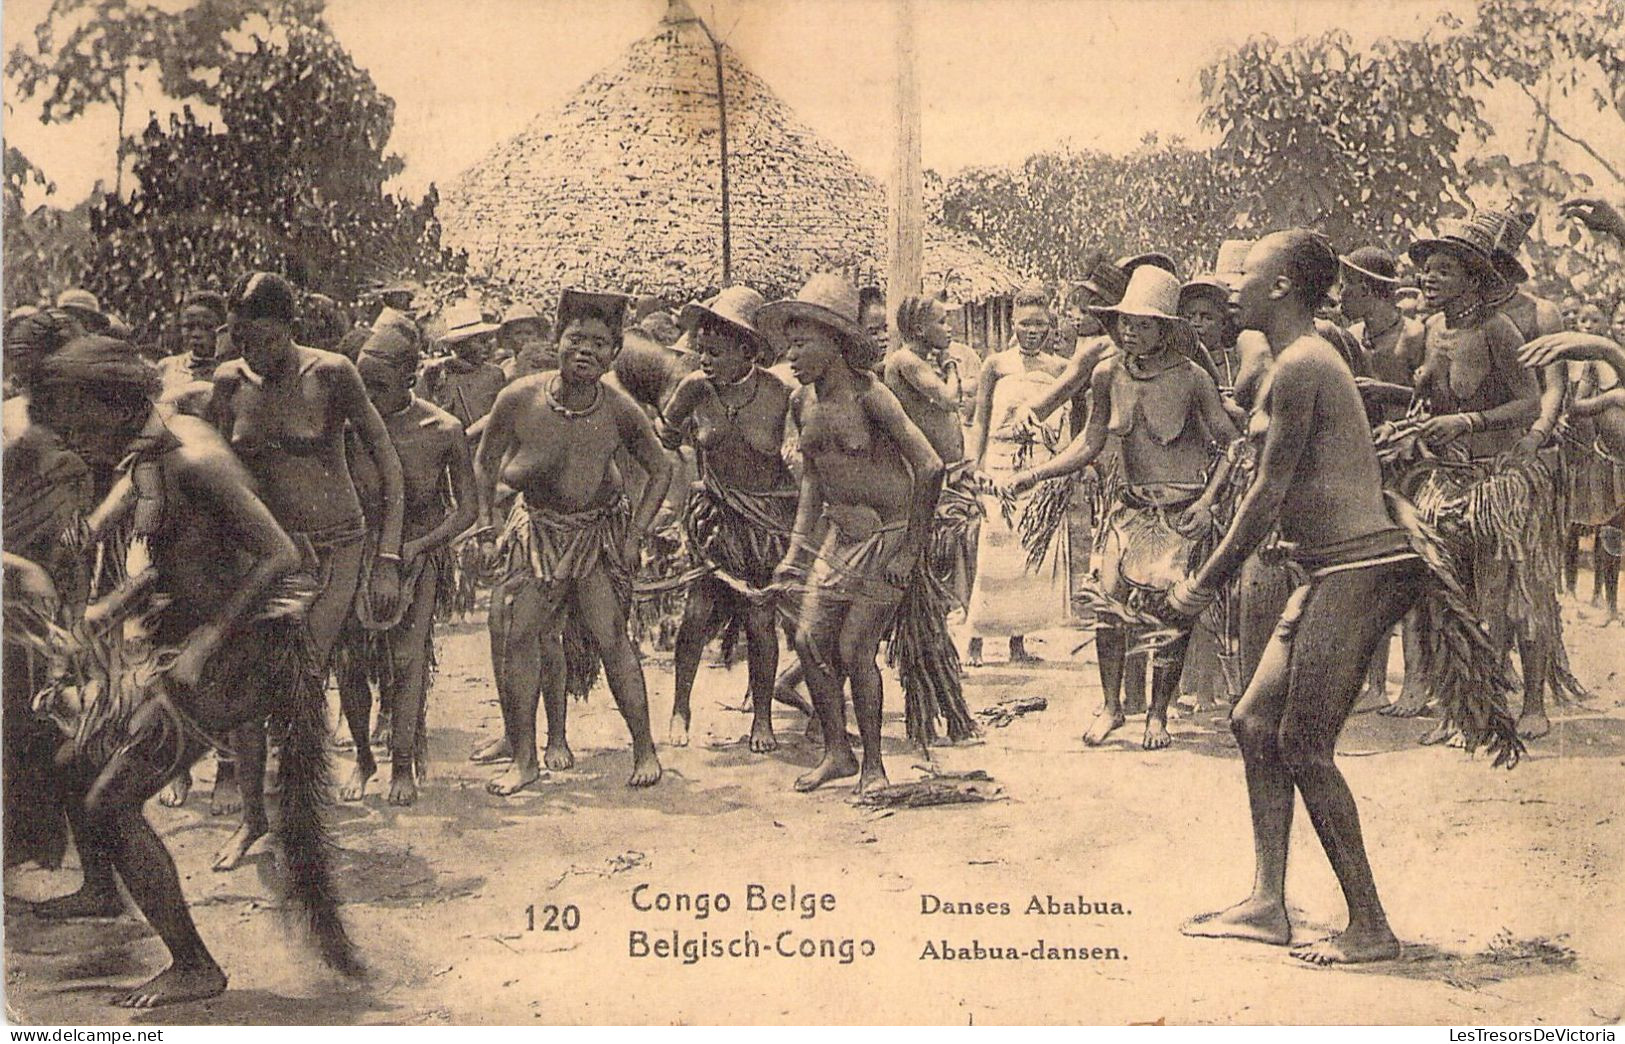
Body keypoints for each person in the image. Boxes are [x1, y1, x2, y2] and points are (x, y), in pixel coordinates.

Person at [1167, 230, 1520, 966]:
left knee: (1302, 742)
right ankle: (1267, 902)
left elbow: (1269, 491)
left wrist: (1201, 587)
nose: (1232, 288)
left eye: (1248, 275)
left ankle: (1369, 927)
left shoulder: (1302, 363)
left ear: (1282, 288)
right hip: (1330, 570)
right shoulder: (1291, 363)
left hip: (1361, 568)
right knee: (1251, 721)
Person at [21, 335, 362, 1006]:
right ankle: (101, 889)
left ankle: (195, 964)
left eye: (76, 417)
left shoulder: (192, 459)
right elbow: (182, 557)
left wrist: (207, 638)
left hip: (247, 654)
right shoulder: (152, 449)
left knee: (111, 801)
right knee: (72, 757)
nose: (69, 434)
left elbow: (279, 554)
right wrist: (112, 606)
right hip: (207, 645)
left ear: (111, 404)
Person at [203, 272, 405, 868]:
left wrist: (389, 558)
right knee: (245, 678)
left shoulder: (333, 373)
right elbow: (215, 469)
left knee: (298, 675)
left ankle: (301, 818)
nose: (250, 351)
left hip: (336, 548)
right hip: (261, 554)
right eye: (238, 337)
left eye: (261, 337)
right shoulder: (227, 381)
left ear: (288, 327)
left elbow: (388, 468)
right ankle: (253, 822)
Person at [1007, 266, 1238, 749]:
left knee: (1172, 615)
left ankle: (1158, 715)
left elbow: (1233, 447)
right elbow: (1089, 443)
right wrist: (1035, 473)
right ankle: (1112, 707)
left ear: (1166, 329)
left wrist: (1210, 503)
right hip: (1127, 511)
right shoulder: (1106, 374)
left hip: (1181, 514)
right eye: (1125, 321)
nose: (1131, 330)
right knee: (1107, 606)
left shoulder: (1194, 380)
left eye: (1144, 323)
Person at [473, 289, 669, 793]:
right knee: (518, 638)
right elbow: (484, 460)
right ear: (556, 340)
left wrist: (634, 536)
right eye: (575, 338)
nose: (585, 351)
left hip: (595, 536)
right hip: (537, 531)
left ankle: (644, 749)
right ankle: (524, 759)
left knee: (612, 640)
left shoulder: (620, 409)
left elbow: (661, 468)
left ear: (614, 353)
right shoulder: (518, 398)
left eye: (599, 344)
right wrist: (487, 528)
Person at [760, 275, 946, 793]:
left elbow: (930, 468)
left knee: (854, 648)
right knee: (807, 640)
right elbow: (814, 484)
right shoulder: (802, 403)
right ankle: (838, 754)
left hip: (888, 537)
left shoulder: (874, 396)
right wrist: (796, 555)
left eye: (802, 344)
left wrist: (910, 548)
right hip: (838, 541)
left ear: (835, 342)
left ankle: (875, 766)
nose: (791, 354)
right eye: (788, 343)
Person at [1400, 214, 1565, 739]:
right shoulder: (1430, 330)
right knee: (1451, 600)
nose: (1429, 278)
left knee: (1517, 593)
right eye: (1426, 269)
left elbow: (1529, 402)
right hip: (1446, 483)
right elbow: (1429, 400)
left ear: (1473, 278)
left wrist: (1470, 421)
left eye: (1443, 270)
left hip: (1501, 480)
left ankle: (1531, 703)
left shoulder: (1500, 328)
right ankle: (1462, 709)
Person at [334, 323, 477, 805]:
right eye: (361, 384)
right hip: (354, 555)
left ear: (410, 376)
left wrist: (418, 548)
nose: (367, 397)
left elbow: (467, 511)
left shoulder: (443, 430)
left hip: (418, 556)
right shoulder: (346, 428)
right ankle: (361, 757)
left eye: (378, 386)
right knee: (350, 662)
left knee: (406, 659)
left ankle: (401, 765)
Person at [656, 287, 800, 751]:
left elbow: (798, 452)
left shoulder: (781, 395)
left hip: (765, 527)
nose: (703, 359)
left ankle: (762, 719)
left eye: (715, 351)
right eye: (700, 348)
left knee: (760, 621)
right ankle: (681, 707)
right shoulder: (694, 389)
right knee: (696, 616)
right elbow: (663, 438)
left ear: (747, 351)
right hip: (714, 525)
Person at [964, 283, 1070, 666]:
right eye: (1025, 324)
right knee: (992, 552)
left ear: (1050, 325)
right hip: (999, 466)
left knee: (1026, 552)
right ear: (1013, 322)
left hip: (1037, 469)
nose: (1032, 331)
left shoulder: (1060, 368)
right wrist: (973, 466)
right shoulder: (995, 365)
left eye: (1039, 324)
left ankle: (1016, 642)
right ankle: (975, 638)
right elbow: (980, 420)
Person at [889, 295, 981, 611]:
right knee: (938, 549)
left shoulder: (919, 361)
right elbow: (948, 398)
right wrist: (952, 364)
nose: (949, 329)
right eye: (941, 322)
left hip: (947, 472)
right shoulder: (906, 361)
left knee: (954, 545)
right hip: (924, 476)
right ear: (917, 328)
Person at [418, 301, 507, 428]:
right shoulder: (437, 374)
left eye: (487, 340)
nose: (487, 346)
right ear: (459, 346)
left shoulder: (495, 374)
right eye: (480, 341)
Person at [155, 291, 229, 415]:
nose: (196, 334)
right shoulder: (168, 366)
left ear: (221, 329)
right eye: (189, 327)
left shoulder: (229, 370)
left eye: (206, 327)